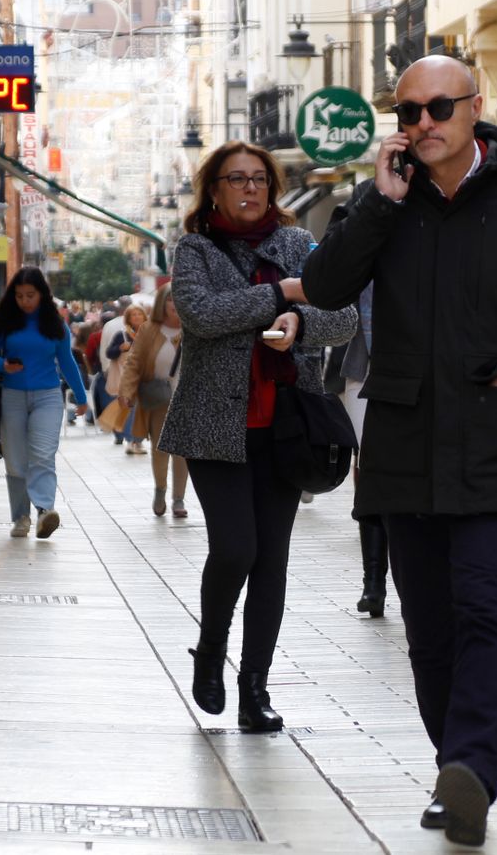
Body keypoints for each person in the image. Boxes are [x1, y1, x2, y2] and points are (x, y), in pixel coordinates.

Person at [295, 55, 497, 847]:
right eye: (408, 113)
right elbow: (328, 287)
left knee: (485, 608)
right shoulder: (383, 207)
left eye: (438, 107)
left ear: (475, 109)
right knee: (429, 629)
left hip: (495, 443)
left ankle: (471, 767)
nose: (423, 124)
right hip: (403, 445)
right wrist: (376, 201)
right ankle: (457, 771)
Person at [158, 142, 356, 735]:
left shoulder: (298, 246)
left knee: (272, 560)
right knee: (236, 548)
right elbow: (201, 314)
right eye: (236, 179)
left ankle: (255, 690)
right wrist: (283, 294)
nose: (250, 189)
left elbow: (343, 315)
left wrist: (298, 321)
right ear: (213, 189)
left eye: (260, 180)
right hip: (215, 428)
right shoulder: (193, 249)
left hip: (286, 428)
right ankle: (212, 650)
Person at [0, 267, 89, 539]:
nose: (25, 301)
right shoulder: (5, 323)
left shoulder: (55, 325)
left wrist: (81, 396)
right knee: (15, 460)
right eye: (19, 296)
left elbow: (67, 362)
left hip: (48, 396)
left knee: (43, 453)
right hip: (12, 397)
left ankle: (44, 511)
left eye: (30, 295)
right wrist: (3, 364)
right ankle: (21, 517)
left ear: (42, 295)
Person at [326, 282, 388, 618]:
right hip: (364, 370)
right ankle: (373, 583)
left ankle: (403, 578)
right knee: (368, 466)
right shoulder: (369, 246)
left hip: (419, 372)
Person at [118, 289, 190, 518]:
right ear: (161, 302)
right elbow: (134, 362)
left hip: (186, 399)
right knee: (160, 448)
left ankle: (178, 499)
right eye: (170, 298)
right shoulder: (149, 330)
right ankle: (160, 489)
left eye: (177, 297)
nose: (174, 303)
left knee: (182, 452)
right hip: (158, 398)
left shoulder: (193, 327)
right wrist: (126, 391)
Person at [107, 303, 148, 453]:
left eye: (139, 314)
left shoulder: (150, 334)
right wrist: (119, 348)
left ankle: (138, 440)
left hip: (145, 378)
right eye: (133, 315)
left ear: (144, 316)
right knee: (132, 410)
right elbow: (109, 354)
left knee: (143, 411)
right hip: (128, 379)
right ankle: (133, 441)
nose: (137, 317)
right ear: (128, 318)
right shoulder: (121, 335)